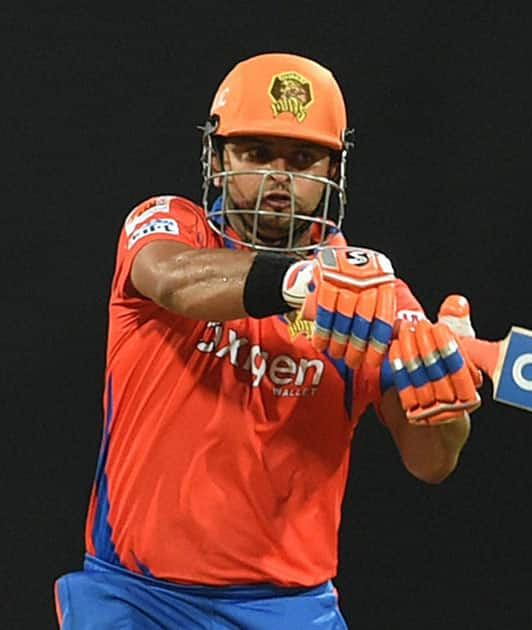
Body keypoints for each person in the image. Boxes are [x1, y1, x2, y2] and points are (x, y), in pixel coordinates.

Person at [53, 52, 484, 629]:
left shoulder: (377, 296)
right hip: (137, 598)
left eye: (303, 158)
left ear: (333, 171)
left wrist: (443, 394)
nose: (280, 176)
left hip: (290, 610)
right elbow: (175, 280)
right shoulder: (168, 226)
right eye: (257, 153)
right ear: (216, 155)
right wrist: (299, 281)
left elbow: (431, 462)